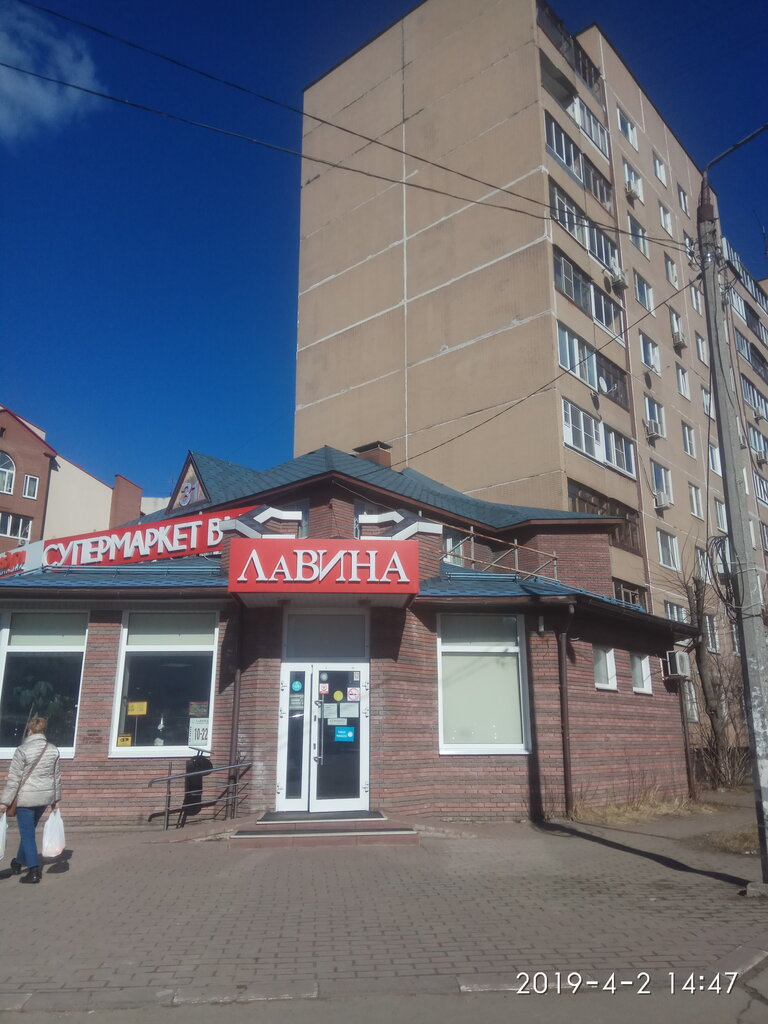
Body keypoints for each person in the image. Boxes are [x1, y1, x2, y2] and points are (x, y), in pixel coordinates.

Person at [0, 717, 61, 884]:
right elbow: (56, 777)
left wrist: (4, 802)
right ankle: (18, 862)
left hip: (26, 799)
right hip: (44, 798)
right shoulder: (53, 750)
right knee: (28, 832)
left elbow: (14, 779)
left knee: (27, 835)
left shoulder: (22, 750)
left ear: (30, 731)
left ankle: (34, 871)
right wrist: (56, 800)